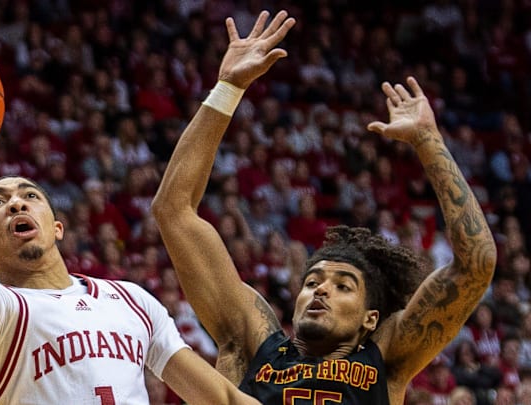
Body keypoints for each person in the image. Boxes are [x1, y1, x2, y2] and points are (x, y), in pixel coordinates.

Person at [0, 60, 269, 405]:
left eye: (29, 195)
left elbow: (222, 397)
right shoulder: (2, 311)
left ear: (57, 227)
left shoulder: (131, 300)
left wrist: (229, 87)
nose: (16, 203)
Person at [151, 10, 496, 405]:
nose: (321, 291)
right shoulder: (253, 341)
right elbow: (173, 211)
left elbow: (477, 262)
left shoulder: (386, 356)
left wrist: (429, 143)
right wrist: (228, 88)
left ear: (370, 319)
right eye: (312, 282)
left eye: (343, 286)